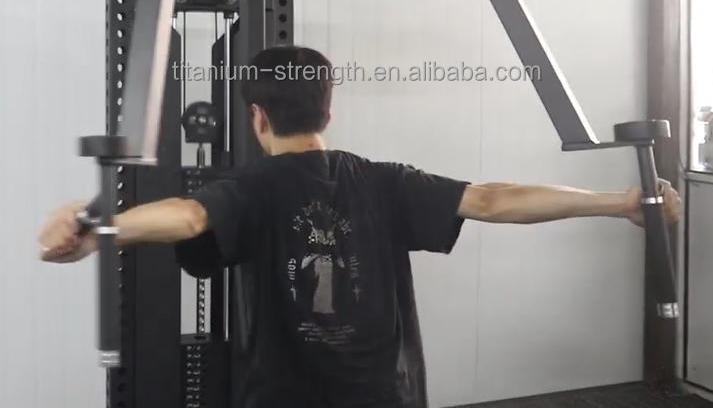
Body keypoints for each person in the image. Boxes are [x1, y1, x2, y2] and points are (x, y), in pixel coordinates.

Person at [38, 45, 681, 408]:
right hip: (384, 395)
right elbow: (493, 199)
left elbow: (187, 216)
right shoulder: (383, 179)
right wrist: (620, 201)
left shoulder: (248, 187)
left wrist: (100, 232)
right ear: (329, 108)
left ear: (256, 115)